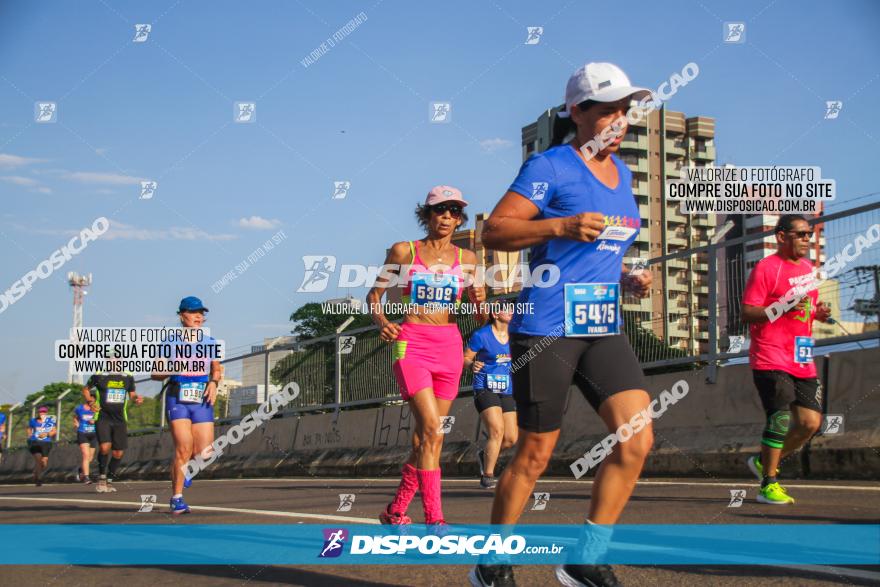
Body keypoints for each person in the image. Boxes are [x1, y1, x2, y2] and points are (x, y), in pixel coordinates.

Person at [470, 62, 654, 587]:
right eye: (608, 110)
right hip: (548, 326)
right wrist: (561, 224)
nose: (620, 120)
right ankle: (491, 562)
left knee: (636, 440)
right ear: (577, 112)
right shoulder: (551, 166)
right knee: (534, 453)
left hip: (601, 325)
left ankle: (585, 559)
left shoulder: (626, 176)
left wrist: (625, 277)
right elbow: (497, 231)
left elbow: (595, 252)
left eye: (626, 110)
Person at [367, 185, 486, 529]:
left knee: (427, 438)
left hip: (448, 344)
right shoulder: (404, 251)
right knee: (432, 430)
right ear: (427, 214)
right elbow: (374, 295)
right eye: (440, 210)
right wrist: (384, 322)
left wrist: (479, 300)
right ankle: (435, 519)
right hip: (412, 343)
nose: (448, 217)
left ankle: (395, 510)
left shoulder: (468, 260)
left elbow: (480, 318)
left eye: (454, 211)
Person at [742, 214, 831, 505]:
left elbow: (807, 308)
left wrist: (818, 313)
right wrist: (783, 305)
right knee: (779, 419)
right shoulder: (766, 269)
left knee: (810, 423)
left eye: (810, 235)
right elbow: (748, 312)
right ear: (781, 237)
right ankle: (768, 482)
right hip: (770, 354)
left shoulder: (808, 269)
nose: (807, 239)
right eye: (801, 234)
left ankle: (763, 462)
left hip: (801, 356)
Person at [152, 296, 222, 515]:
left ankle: (187, 470)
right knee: (183, 447)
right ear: (182, 315)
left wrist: (213, 382)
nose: (198, 316)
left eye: (201, 313)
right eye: (193, 312)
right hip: (178, 397)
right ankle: (177, 498)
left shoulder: (209, 342)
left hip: (201, 398)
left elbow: (217, 369)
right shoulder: (169, 342)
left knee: (206, 452)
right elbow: (155, 373)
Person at [464, 302, 517, 489]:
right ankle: (488, 475)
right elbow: (465, 357)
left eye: (512, 308)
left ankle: (484, 455)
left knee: (510, 438)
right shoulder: (482, 335)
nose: (511, 311)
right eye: (506, 308)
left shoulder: (515, 335)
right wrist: (471, 365)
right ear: (495, 314)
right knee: (496, 431)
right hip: (485, 387)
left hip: (507, 389)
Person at [84, 362, 143, 493]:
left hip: (120, 419)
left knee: (118, 453)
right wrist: (91, 402)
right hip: (103, 417)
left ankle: (109, 480)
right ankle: (102, 477)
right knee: (105, 447)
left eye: (117, 359)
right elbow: (86, 389)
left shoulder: (127, 376)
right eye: (110, 359)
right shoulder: (100, 375)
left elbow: (132, 393)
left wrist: (136, 398)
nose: (114, 362)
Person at [27, 406, 57, 486]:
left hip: (46, 443)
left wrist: (46, 434)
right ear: (38, 413)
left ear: (46, 413)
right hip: (35, 442)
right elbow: (29, 429)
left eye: (44, 412)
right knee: (38, 460)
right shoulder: (33, 421)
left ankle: (36, 472)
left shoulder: (50, 421)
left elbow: (54, 431)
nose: (42, 413)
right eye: (41, 412)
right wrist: (29, 436)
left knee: (44, 462)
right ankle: (38, 479)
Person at [73, 402, 98, 484]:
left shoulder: (98, 409)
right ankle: (86, 478)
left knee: (90, 458)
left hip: (94, 434)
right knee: (86, 455)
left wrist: (95, 421)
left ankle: (81, 469)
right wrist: (76, 423)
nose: (92, 401)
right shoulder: (79, 408)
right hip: (83, 433)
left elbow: (103, 420)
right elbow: (76, 417)